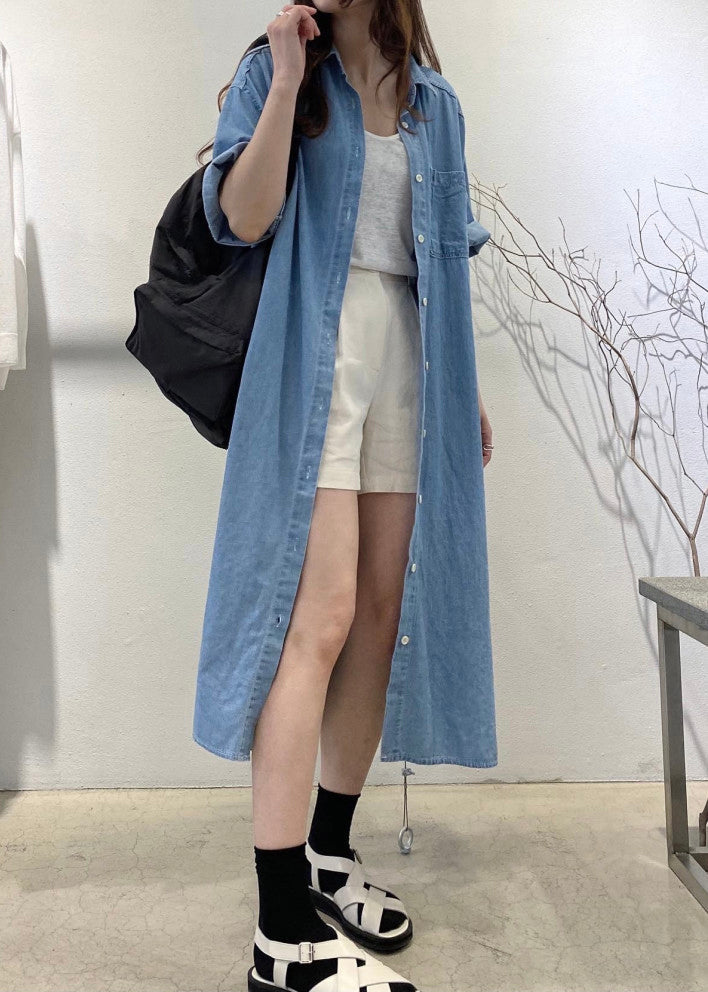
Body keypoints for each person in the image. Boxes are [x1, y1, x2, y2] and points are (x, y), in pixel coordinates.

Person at [194, 2, 497, 989]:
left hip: (410, 363)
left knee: (375, 618)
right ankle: (282, 932)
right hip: (311, 361)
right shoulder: (279, 73)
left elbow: (439, 265)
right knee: (315, 622)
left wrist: (464, 391)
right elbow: (242, 217)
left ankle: (328, 851)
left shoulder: (435, 104)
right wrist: (286, 80)